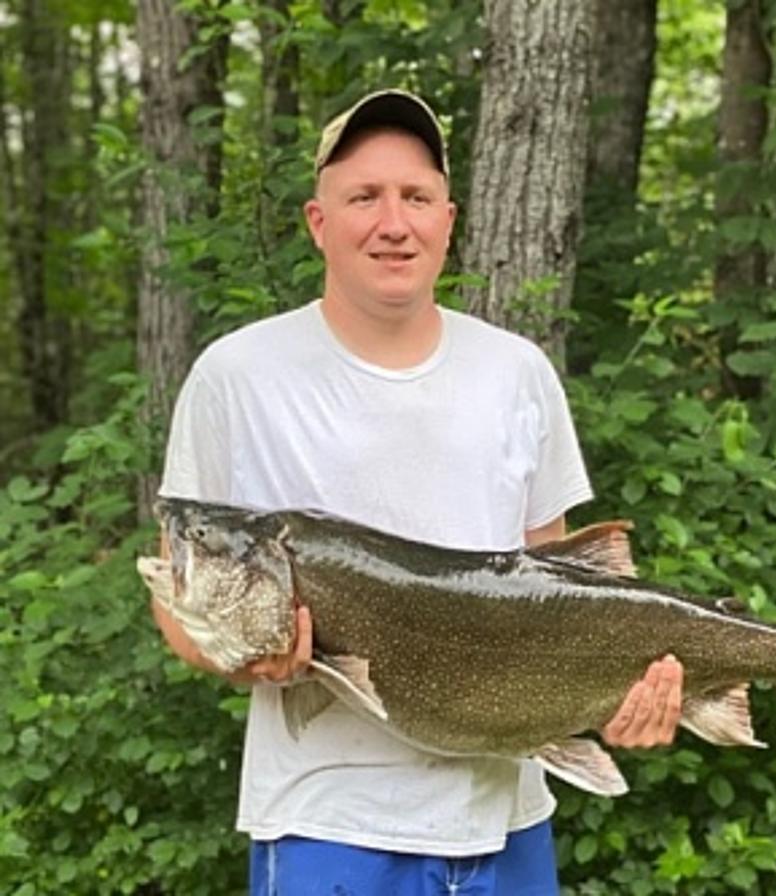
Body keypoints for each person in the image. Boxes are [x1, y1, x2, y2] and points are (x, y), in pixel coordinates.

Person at [151, 89, 684, 896]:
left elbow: (567, 585)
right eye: (363, 196)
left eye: (416, 197)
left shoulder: (516, 372)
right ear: (317, 221)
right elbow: (180, 593)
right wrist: (245, 664)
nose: (392, 222)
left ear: (447, 218)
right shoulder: (238, 375)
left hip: (507, 814)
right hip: (324, 821)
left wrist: (618, 693)